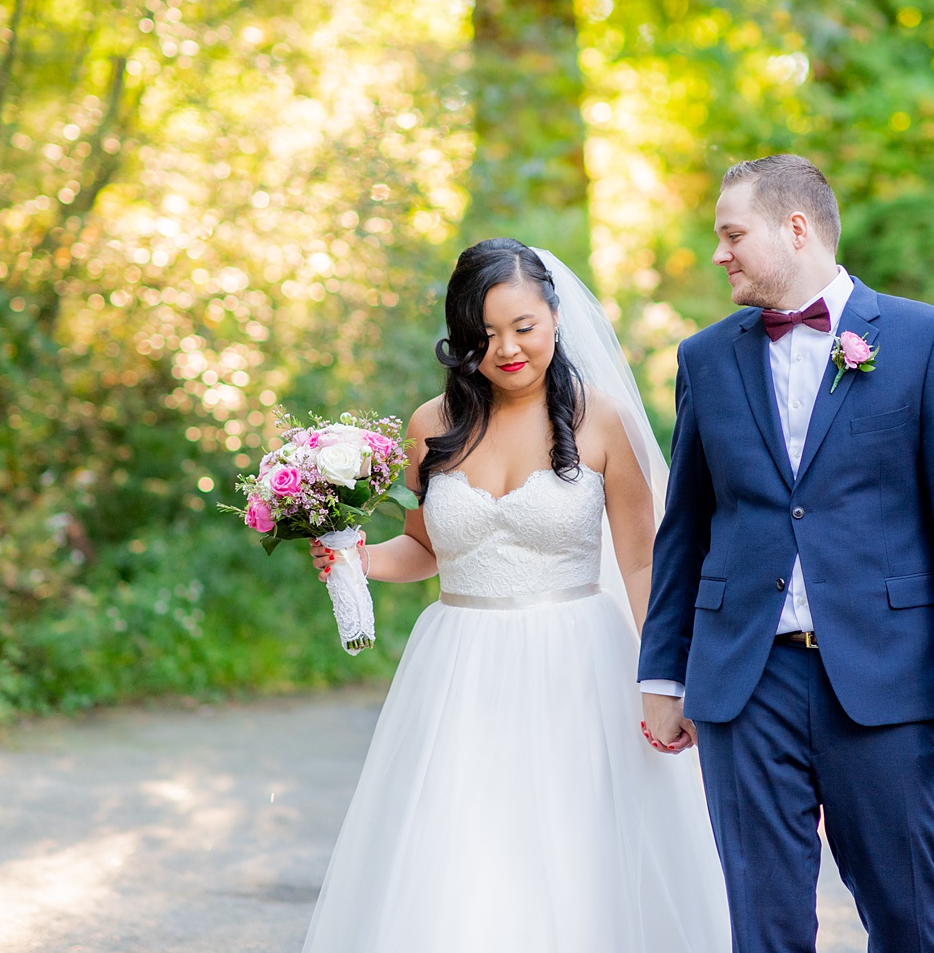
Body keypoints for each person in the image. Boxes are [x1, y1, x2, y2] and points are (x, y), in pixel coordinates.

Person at [301, 238, 730, 953]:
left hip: (579, 664)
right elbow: (428, 549)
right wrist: (358, 560)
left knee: (572, 856)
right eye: (484, 334)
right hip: (459, 668)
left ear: (556, 316)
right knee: (458, 857)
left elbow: (641, 565)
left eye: (522, 327)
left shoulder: (603, 420)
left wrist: (665, 674)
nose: (505, 349)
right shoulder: (429, 425)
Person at [639, 154, 934, 953]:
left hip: (885, 679)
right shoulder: (705, 358)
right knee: (764, 927)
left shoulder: (927, 341)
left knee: (905, 917)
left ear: (795, 227)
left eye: (732, 234)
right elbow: (687, 526)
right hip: (744, 682)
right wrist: (663, 671)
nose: (718, 253)